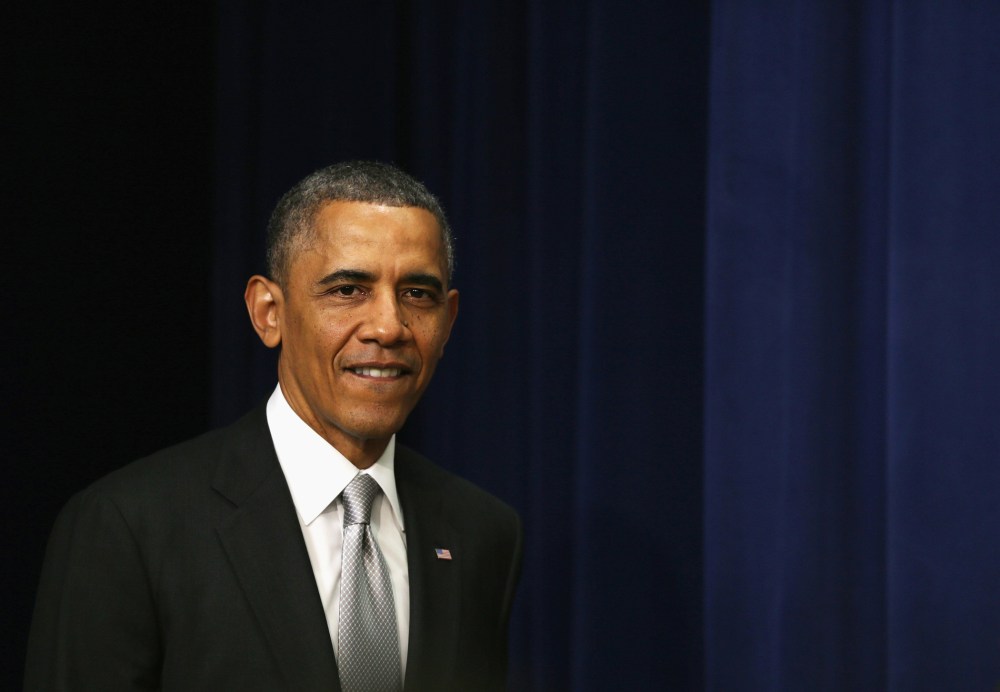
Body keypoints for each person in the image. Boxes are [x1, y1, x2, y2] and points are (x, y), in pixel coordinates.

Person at [24, 161, 523, 691]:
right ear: (269, 312)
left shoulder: (483, 533)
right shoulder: (128, 525)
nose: (388, 326)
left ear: (448, 321)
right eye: (348, 290)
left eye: (417, 294)